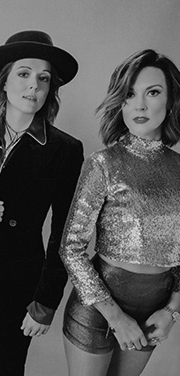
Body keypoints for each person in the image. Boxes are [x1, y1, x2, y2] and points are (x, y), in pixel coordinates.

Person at [0, 30, 84, 376]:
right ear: (4, 82)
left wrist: (47, 301)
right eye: (24, 74)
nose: (34, 85)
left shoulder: (65, 150)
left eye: (44, 78)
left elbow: (65, 232)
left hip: (19, 287)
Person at [59, 49, 180, 376]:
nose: (139, 105)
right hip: (97, 309)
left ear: (170, 101)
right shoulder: (103, 164)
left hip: (154, 313)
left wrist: (172, 311)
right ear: (120, 102)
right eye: (129, 94)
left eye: (152, 92)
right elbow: (70, 248)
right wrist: (116, 317)